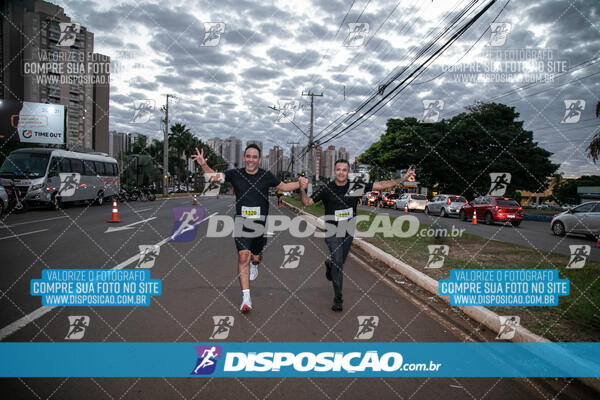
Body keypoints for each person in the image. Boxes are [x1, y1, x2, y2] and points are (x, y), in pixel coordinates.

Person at [192, 144, 307, 312]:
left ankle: (255, 264)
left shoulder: (266, 176)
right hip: (241, 222)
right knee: (243, 256)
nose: (251, 160)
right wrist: (203, 164)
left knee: (255, 257)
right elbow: (214, 177)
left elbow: (283, 187)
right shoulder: (235, 174)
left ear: (259, 160)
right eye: (248, 156)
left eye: (254, 157)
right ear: (244, 158)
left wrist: (299, 183)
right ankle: (246, 298)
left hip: (260, 224)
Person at [299, 160, 415, 311]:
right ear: (334, 172)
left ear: (348, 172)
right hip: (333, 232)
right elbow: (307, 202)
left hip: (348, 231)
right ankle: (338, 298)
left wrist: (403, 179)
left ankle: (330, 265)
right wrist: (302, 189)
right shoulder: (327, 189)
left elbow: (380, 185)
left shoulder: (355, 187)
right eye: (338, 169)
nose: (341, 172)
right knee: (339, 262)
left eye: (344, 170)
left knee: (337, 262)